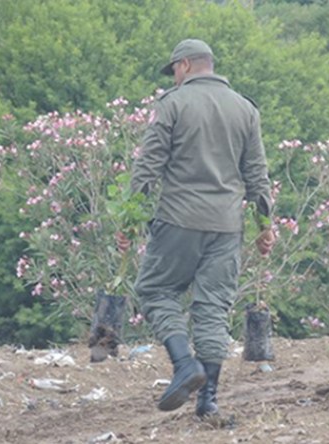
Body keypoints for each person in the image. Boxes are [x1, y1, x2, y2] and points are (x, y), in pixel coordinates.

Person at [118, 38, 275, 417]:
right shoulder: (244, 109)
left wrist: (129, 221)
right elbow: (257, 175)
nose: (173, 77)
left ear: (185, 65)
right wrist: (264, 226)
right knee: (213, 308)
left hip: (179, 219)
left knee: (154, 289)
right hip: (226, 225)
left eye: (173, 70)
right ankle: (209, 402)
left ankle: (184, 365)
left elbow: (147, 168)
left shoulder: (172, 106)